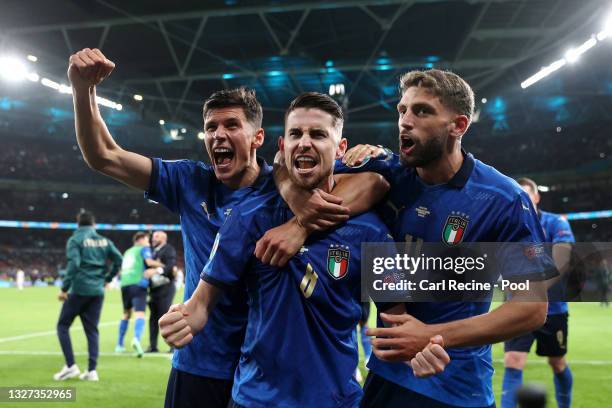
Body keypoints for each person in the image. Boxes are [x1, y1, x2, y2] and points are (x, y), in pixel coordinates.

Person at [68, 48, 386, 408]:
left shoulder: (284, 186)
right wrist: (83, 90)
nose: (218, 135)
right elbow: (103, 156)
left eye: (231, 125)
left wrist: (300, 217)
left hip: (261, 368)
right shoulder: (189, 181)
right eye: (210, 128)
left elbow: (374, 183)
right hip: (199, 360)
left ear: (259, 138)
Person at [160, 92, 449, 407]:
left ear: (340, 148)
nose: (305, 142)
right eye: (295, 134)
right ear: (283, 147)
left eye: (318, 134)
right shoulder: (247, 217)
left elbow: (397, 323)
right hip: (254, 400)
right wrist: (186, 317)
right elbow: (201, 304)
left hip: (335, 400)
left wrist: (418, 351)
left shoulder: (372, 233)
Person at [333, 69, 555, 408]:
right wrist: (298, 227)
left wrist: (429, 336)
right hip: (388, 376)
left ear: (459, 125)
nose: (405, 121)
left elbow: (531, 309)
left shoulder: (504, 198)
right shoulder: (388, 172)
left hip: (457, 386)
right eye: (402, 110)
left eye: (422, 111)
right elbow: (288, 177)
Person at [502, 177, 575, 408]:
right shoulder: (507, 226)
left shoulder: (556, 223)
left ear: (536, 197)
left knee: (557, 362)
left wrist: (534, 289)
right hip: (517, 308)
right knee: (513, 361)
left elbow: (562, 259)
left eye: (526, 194)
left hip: (552, 308)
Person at [53, 211, 122, 381]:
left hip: (79, 289)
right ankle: (92, 371)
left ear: (78, 224)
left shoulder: (75, 239)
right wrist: (107, 278)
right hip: (97, 291)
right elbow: (119, 259)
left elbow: (74, 264)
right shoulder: (104, 240)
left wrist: (64, 288)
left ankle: (71, 366)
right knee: (92, 331)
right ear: (94, 225)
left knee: (62, 325)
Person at [116, 231, 163, 357]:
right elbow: (149, 262)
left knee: (126, 313)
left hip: (125, 284)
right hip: (138, 283)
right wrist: (162, 265)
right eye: (147, 239)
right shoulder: (144, 248)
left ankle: (119, 344)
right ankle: (136, 339)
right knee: (140, 313)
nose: (148, 242)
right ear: (141, 239)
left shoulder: (127, 252)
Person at [147, 230, 177, 353]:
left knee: (165, 316)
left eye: (156, 236)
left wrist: (156, 270)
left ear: (164, 238)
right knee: (153, 317)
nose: (153, 238)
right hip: (154, 288)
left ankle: (173, 346)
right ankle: (153, 346)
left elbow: (171, 265)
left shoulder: (168, 249)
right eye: (153, 236)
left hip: (165, 286)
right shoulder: (152, 251)